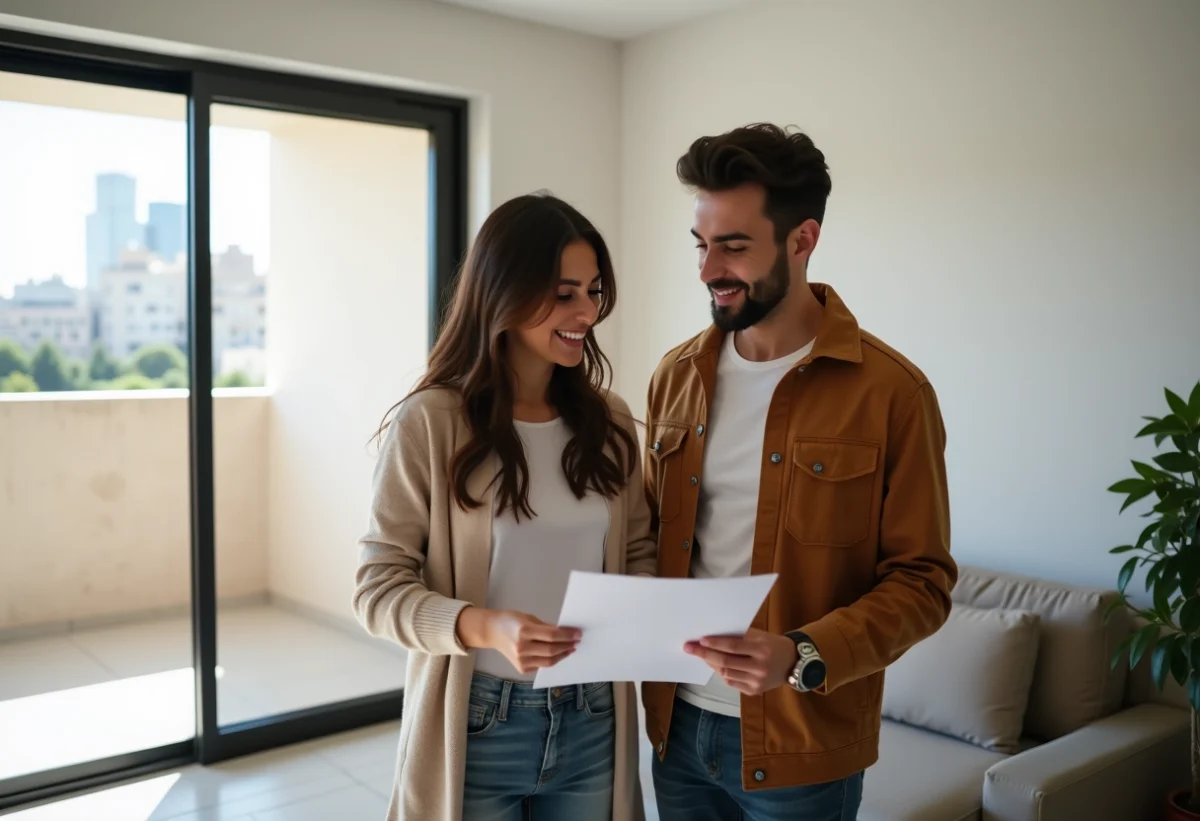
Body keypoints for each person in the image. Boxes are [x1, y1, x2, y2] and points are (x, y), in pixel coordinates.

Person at [640, 123, 958, 820]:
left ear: (802, 240)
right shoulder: (675, 378)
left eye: (733, 246)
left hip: (803, 746)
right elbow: (649, 542)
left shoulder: (892, 393)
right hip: (675, 729)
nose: (706, 270)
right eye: (700, 244)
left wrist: (801, 650)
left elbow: (924, 582)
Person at [354, 192, 655, 821]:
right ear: (506, 293)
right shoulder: (431, 422)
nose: (586, 313)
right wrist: (485, 626)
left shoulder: (613, 423)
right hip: (478, 723)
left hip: (593, 714)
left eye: (594, 291)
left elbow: (638, 555)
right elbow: (377, 590)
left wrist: (650, 619)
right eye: (564, 292)